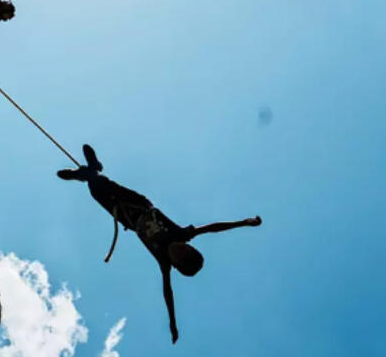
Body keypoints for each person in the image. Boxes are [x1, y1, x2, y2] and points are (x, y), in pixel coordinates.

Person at [57, 145, 262, 344]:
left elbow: (168, 293)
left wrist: (173, 323)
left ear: (175, 263)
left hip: (126, 217)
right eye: (184, 247)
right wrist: (244, 222)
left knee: (95, 191)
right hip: (138, 202)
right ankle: (90, 171)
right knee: (100, 183)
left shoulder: (164, 262)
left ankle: (93, 169)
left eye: (179, 253)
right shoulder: (182, 234)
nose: (178, 247)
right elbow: (213, 228)